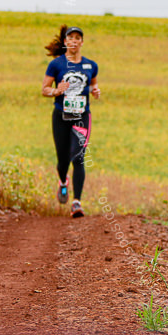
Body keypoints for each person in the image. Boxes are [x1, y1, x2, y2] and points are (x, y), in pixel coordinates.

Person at [41, 26, 100, 218]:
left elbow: (93, 84)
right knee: (63, 160)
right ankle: (63, 182)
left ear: (82, 42)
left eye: (78, 38)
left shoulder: (91, 65)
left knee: (78, 157)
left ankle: (77, 203)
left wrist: (96, 91)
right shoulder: (56, 65)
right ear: (65, 42)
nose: (74, 41)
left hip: (81, 116)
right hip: (61, 116)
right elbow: (44, 89)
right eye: (71, 38)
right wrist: (56, 91)